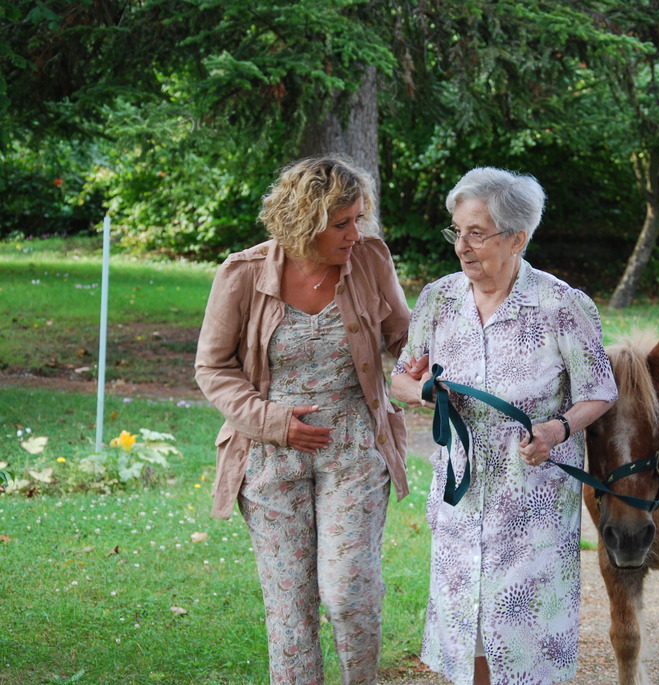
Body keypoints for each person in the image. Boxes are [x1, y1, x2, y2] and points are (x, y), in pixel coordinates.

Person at [390, 167, 618, 685]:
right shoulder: (439, 299)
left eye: (477, 233)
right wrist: (425, 391)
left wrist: (557, 429)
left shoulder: (561, 304)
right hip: (461, 499)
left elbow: (600, 390)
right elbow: (400, 378)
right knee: (466, 632)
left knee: (522, 642)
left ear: (518, 238)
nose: (462, 247)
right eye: (457, 231)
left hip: (531, 504)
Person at [194, 156, 411, 684]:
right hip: (269, 459)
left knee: (346, 593)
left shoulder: (370, 260)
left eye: (358, 219)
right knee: (290, 614)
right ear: (304, 221)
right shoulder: (242, 274)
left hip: (354, 450)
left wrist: (420, 369)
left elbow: (404, 338)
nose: (355, 233)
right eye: (342, 223)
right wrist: (273, 422)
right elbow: (212, 366)